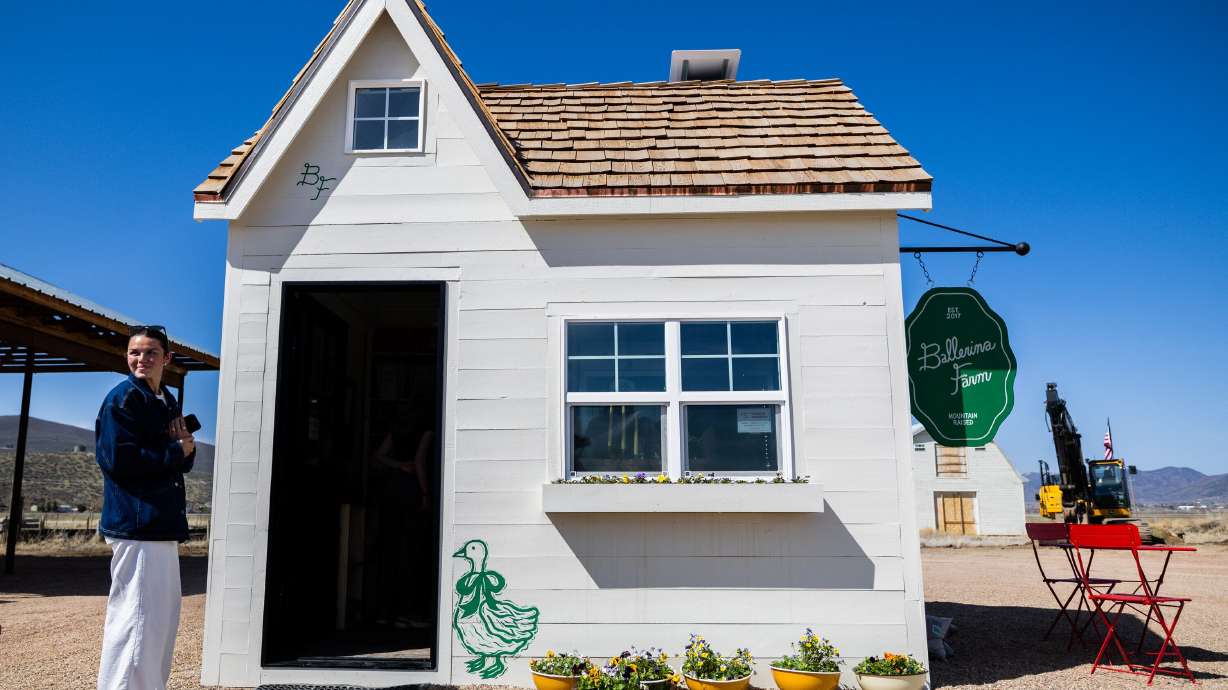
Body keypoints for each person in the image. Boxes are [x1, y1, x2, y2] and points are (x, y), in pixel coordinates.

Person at [95, 325, 196, 690]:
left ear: (166, 359)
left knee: (158, 621)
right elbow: (117, 462)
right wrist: (175, 451)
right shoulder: (123, 401)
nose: (141, 359)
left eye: (150, 352)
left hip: (160, 524)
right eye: (135, 352)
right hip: (137, 525)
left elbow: (176, 457)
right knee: (134, 620)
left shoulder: (164, 400)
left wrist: (185, 449)